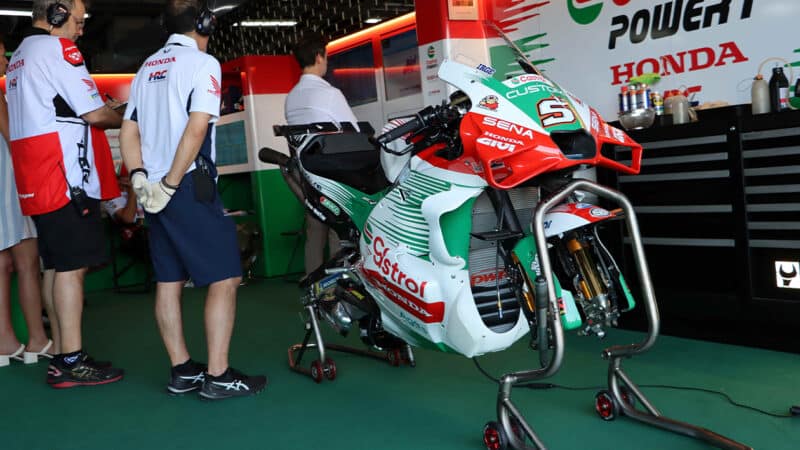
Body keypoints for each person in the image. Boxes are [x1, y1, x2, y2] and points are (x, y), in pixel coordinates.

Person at [119, 0, 266, 400]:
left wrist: (140, 179)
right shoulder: (203, 64)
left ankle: (183, 371)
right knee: (225, 277)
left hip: (153, 189)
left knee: (169, 280)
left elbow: (127, 131)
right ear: (204, 23)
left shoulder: (147, 67)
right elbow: (197, 127)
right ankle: (218, 375)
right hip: (186, 184)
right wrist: (170, 181)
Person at [5, 0, 124, 387]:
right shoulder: (58, 49)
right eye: (78, 20)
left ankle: (62, 354)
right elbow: (93, 114)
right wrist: (125, 115)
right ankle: (70, 359)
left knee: (56, 265)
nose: (81, 29)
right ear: (56, 15)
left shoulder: (20, 54)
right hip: (65, 178)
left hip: (37, 177)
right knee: (71, 269)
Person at [285, 33, 359, 275]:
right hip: (332, 176)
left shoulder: (291, 97)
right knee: (339, 229)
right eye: (326, 57)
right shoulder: (330, 94)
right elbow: (355, 133)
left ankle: (313, 288)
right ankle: (340, 285)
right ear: (319, 57)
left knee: (315, 230)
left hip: (306, 176)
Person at [0, 33, 53, 368]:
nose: (6, 62)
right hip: (10, 185)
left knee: (5, 266)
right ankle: (37, 340)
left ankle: (6, 342)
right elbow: (13, 139)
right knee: (28, 263)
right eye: (1, 54)